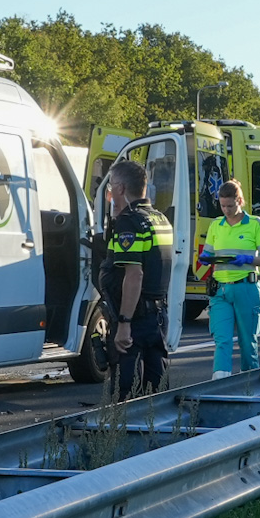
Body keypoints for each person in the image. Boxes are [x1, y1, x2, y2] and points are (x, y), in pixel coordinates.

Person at [100, 158, 175, 398]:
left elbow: (134, 275)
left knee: (125, 391)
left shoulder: (129, 222)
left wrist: (123, 323)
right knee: (157, 392)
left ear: (121, 188)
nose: (110, 192)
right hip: (158, 316)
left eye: (111, 186)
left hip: (136, 318)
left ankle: (121, 434)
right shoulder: (160, 218)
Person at [198, 179, 260, 377]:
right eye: (222, 206)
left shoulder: (256, 224)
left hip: (245, 288)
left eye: (230, 205)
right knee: (222, 339)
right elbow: (207, 254)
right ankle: (220, 382)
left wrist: (248, 259)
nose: (226, 210)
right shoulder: (216, 225)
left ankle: (249, 384)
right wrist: (205, 259)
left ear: (239, 200)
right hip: (220, 289)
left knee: (247, 342)